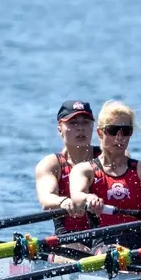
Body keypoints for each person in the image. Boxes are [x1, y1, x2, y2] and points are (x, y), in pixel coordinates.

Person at [70, 100, 141, 249]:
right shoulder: (85, 170)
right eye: (113, 130)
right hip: (104, 242)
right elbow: (77, 196)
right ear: (100, 133)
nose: (119, 137)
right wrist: (88, 197)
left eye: (126, 131)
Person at [34, 99, 96, 234]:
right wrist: (62, 201)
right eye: (73, 123)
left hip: (107, 235)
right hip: (68, 237)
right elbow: (45, 199)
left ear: (93, 128)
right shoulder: (51, 164)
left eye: (85, 122)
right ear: (59, 130)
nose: (80, 128)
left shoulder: (108, 158)